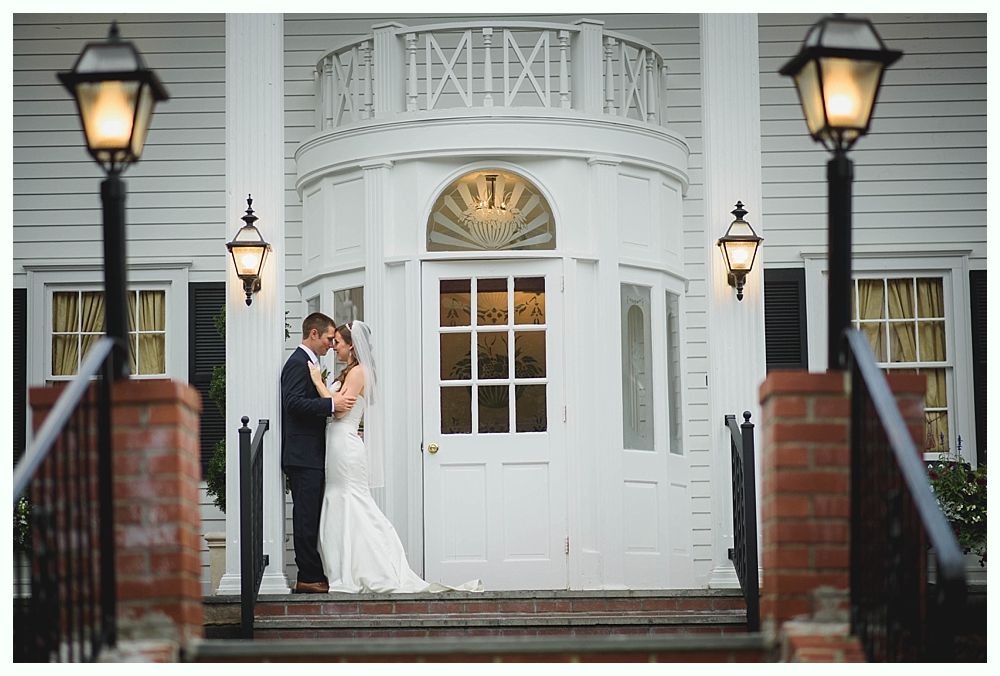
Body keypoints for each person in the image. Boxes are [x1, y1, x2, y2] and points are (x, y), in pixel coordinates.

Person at [308, 320, 483, 593]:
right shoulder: (352, 372)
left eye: (338, 344)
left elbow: (340, 411)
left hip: (344, 444)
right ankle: (346, 566)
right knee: (341, 501)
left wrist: (319, 383)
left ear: (351, 345)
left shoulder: (358, 373)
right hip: (338, 443)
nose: (334, 348)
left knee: (351, 501)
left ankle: (369, 566)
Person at [281, 312, 356, 594]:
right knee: (305, 517)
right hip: (303, 455)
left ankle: (313, 573)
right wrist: (330, 407)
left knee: (311, 515)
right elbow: (293, 404)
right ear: (313, 334)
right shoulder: (298, 364)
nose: (330, 345)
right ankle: (308, 576)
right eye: (327, 338)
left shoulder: (308, 364)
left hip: (313, 453)